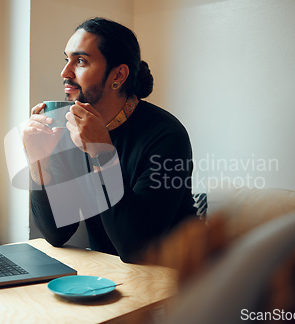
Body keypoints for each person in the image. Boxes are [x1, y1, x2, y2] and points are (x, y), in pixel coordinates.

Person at [23, 17, 196, 263]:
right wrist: (39, 163)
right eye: (66, 59)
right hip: (107, 279)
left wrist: (101, 152)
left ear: (118, 75)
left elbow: (136, 248)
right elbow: (57, 234)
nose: (65, 72)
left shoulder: (167, 136)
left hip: (171, 280)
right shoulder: (70, 130)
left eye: (80, 61)